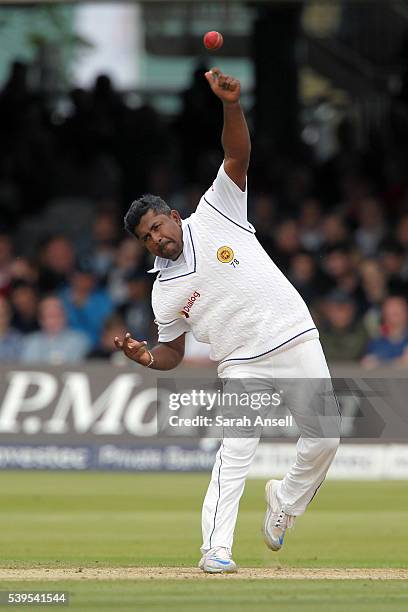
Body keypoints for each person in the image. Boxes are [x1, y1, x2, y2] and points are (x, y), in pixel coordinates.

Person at [115, 68, 339, 574]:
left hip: (294, 334)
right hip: (241, 363)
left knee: (326, 438)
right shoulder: (163, 291)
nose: (157, 240)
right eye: (146, 239)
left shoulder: (217, 209)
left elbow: (237, 155)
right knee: (235, 454)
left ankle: (284, 500)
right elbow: (171, 350)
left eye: (157, 227)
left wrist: (231, 106)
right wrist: (147, 356)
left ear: (173, 214)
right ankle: (215, 549)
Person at [21, 295, 90, 364]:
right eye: (50, 316)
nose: (55, 320)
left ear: (66, 316)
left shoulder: (80, 341)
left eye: (58, 315)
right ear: (40, 319)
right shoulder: (30, 342)